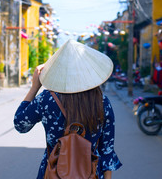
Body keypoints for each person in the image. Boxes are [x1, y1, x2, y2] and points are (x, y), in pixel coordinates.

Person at [14, 39, 122, 179]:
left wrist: (35, 86)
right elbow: (107, 150)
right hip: (91, 173)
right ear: (89, 72)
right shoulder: (102, 102)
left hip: (53, 173)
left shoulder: (46, 99)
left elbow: (20, 125)